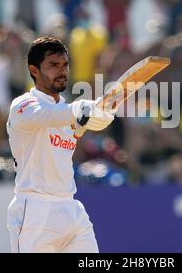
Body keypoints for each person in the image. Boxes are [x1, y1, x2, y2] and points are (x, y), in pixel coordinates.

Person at [6, 36, 114, 253]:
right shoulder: (23, 105)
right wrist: (81, 110)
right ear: (34, 70)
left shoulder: (67, 110)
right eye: (53, 65)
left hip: (70, 209)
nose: (62, 71)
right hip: (34, 211)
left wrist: (104, 112)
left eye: (65, 65)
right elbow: (49, 115)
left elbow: (92, 120)